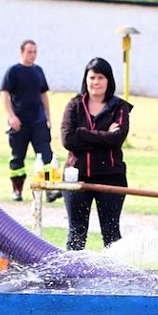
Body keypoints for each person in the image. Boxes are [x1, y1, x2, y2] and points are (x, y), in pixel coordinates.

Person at [60, 57, 132, 250]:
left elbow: (117, 139)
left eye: (100, 77)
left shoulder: (120, 107)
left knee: (111, 234)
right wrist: (104, 137)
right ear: (86, 79)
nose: (96, 82)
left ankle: (115, 279)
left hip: (111, 179)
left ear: (108, 80)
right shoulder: (74, 105)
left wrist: (82, 134)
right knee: (76, 233)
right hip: (76, 178)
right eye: (92, 77)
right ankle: (71, 277)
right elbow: (67, 140)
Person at [0, 39, 58, 202]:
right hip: (19, 123)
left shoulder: (38, 71)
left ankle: (49, 190)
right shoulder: (13, 71)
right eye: (29, 52)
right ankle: (17, 190)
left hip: (38, 122)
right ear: (22, 52)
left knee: (46, 155)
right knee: (18, 157)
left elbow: (43, 95)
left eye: (35, 52)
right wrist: (11, 116)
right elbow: (4, 93)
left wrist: (48, 117)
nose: (32, 55)